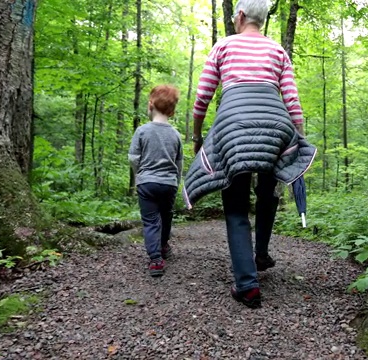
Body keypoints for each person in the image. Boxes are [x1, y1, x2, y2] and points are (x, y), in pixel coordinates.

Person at [182, 0, 316, 308]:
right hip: (276, 126)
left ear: (240, 16)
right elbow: (292, 101)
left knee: (236, 205)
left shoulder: (224, 46)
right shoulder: (278, 51)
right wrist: (298, 138)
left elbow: (202, 96)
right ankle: (261, 255)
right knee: (267, 193)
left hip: (233, 126)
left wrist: (198, 135)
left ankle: (247, 285)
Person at [129, 85, 183, 277]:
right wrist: (176, 180)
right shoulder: (176, 134)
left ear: (151, 104)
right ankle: (164, 246)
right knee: (166, 215)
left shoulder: (142, 131)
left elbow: (134, 158)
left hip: (147, 182)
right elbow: (178, 162)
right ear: (172, 110)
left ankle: (155, 259)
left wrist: (139, 175)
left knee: (151, 220)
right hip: (169, 183)